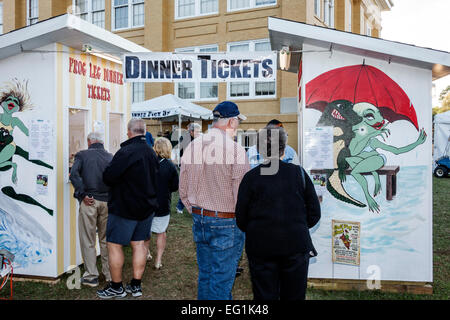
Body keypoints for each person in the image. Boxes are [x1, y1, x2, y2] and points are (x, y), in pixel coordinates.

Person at [235, 125, 321, 300]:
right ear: (284, 148)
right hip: (295, 246)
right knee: (294, 295)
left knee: (264, 295)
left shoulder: (251, 178)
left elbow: (241, 218)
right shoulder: (299, 174)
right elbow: (314, 213)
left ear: (259, 149)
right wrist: (295, 226)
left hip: (261, 247)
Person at [179, 101, 250, 300]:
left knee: (206, 275)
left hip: (200, 217)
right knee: (220, 280)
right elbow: (242, 194)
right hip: (227, 221)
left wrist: (195, 209)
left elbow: (182, 188)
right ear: (233, 122)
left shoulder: (192, 146)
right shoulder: (235, 150)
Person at [97, 118, 159, 299]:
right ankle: (136, 285)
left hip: (125, 207)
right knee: (140, 245)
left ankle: (117, 287)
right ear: (144, 131)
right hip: (147, 207)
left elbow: (108, 177)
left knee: (114, 245)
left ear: (129, 132)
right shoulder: (151, 152)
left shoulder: (125, 152)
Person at [69, 132, 113, 287]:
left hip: (89, 202)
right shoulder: (110, 156)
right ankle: (109, 274)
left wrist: (82, 194)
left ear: (89, 141)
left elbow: (74, 175)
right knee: (106, 239)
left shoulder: (82, 155)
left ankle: (91, 276)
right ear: (101, 142)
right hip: (107, 202)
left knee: (88, 239)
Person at [144, 137, 179, 270]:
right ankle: (158, 260)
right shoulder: (170, 166)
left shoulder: (147, 163)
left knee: (145, 232)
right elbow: (175, 187)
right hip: (162, 204)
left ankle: (146, 253)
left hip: (146, 203)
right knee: (161, 232)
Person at [175, 122, 202, 214]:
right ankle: (180, 205)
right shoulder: (185, 139)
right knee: (187, 185)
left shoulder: (197, 138)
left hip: (196, 164)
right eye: (197, 131)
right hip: (188, 164)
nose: (199, 133)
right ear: (191, 131)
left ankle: (195, 206)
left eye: (199, 131)